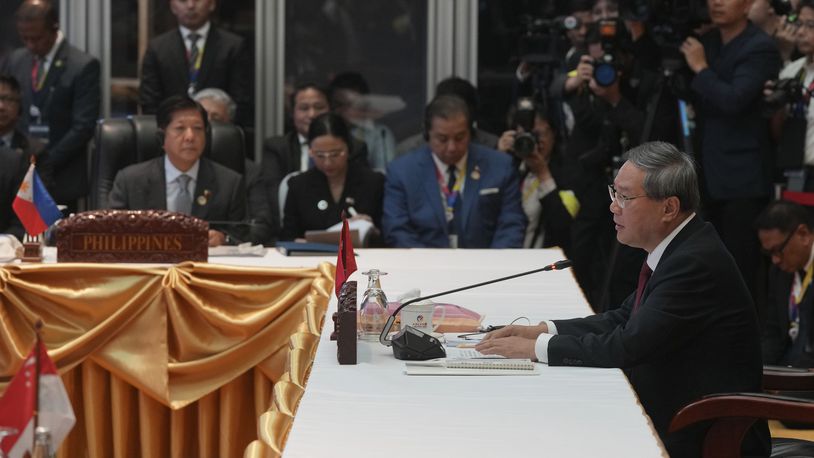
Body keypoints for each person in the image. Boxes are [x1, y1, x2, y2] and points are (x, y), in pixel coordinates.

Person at [476, 142, 768, 458]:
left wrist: (536, 349)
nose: (613, 207)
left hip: (704, 432)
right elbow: (623, 318)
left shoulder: (694, 262)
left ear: (669, 208)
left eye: (624, 198)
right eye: (613, 194)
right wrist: (542, 330)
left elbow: (630, 345)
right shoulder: (681, 246)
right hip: (677, 409)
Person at [680, 0, 782, 302]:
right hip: (706, 173)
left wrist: (700, 68)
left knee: (740, 268)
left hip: (743, 178)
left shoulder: (759, 47)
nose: (717, 2)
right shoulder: (706, 43)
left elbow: (734, 100)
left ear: (749, 3)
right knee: (705, 267)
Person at [382, 95, 525, 248]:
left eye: (459, 137)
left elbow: (511, 224)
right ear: (427, 134)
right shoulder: (402, 171)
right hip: (425, 265)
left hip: (486, 266)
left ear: (471, 133)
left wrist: (491, 266)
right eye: (442, 139)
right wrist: (428, 266)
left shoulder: (500, 165)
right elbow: (397, 229)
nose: (452, 148)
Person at [1, 0, 100, 213]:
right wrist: (20, 163)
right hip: (16, 171)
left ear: (54, 27)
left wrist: (43, 161)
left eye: (36, 38)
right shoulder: (17, 60)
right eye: (24, 38)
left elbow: (83, 126)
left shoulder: (82, 65)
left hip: (60, 175)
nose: (30, 44)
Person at [109, 95, 247, 247]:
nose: (190, 136)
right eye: (180, 128)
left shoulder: (229, 183)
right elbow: (111, 233)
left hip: (207, 267)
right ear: (162, 137)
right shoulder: (131, 181)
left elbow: (244, 235)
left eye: (198, 128)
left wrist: (223, 239)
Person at [139, 0, 252, 127]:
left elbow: (241, 101)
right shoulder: (157, 48)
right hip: (172, 135)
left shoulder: (233, 46)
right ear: (172, 6)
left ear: (212, 4)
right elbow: (149, 102)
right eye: (183, 0)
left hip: (218, 133)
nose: (190, 5)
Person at [280, 113, 384, 242]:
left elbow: (386, 236)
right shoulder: (298, 185)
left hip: (361, 259)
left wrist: (371, 230)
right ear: (310, 151)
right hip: (311, 259)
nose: (328, 162)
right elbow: (288, 238)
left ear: (349, 147)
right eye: (320, 155)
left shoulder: (373, 182)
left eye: (335, 154)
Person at [192, 88, 276, 245]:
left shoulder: (249, 171)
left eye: (215, 118)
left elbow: (261, 226)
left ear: (229, 124)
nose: (208, 125)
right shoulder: (178, 167)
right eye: (201, 120)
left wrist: (227, 239)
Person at [496, 102, 574, 250]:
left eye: (539, 134)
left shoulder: (568, 174)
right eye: (526, 134)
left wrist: (543, 174)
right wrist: (498, 160)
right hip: (502, 255)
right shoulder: (508, 169)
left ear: (554, 134)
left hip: (540, 260)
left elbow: (563, 225)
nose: (534, 142)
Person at [756, 200, 814, 367]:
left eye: (778, 250)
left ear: (803, 234)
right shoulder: (779, 273)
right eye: (768, 253)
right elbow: (773, 333)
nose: (775, 260)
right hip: (789, 368)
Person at [395, 76, 499, 156]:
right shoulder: (407, 151)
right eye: (442, 139)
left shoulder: (493, 146)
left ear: (473, 114)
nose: (451, 148)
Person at [329, 71, 397, 172]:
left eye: (350, 105)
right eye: (338, 104)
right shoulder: (325, 130)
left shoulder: (380, 134)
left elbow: (385, 174)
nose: (342, 110)